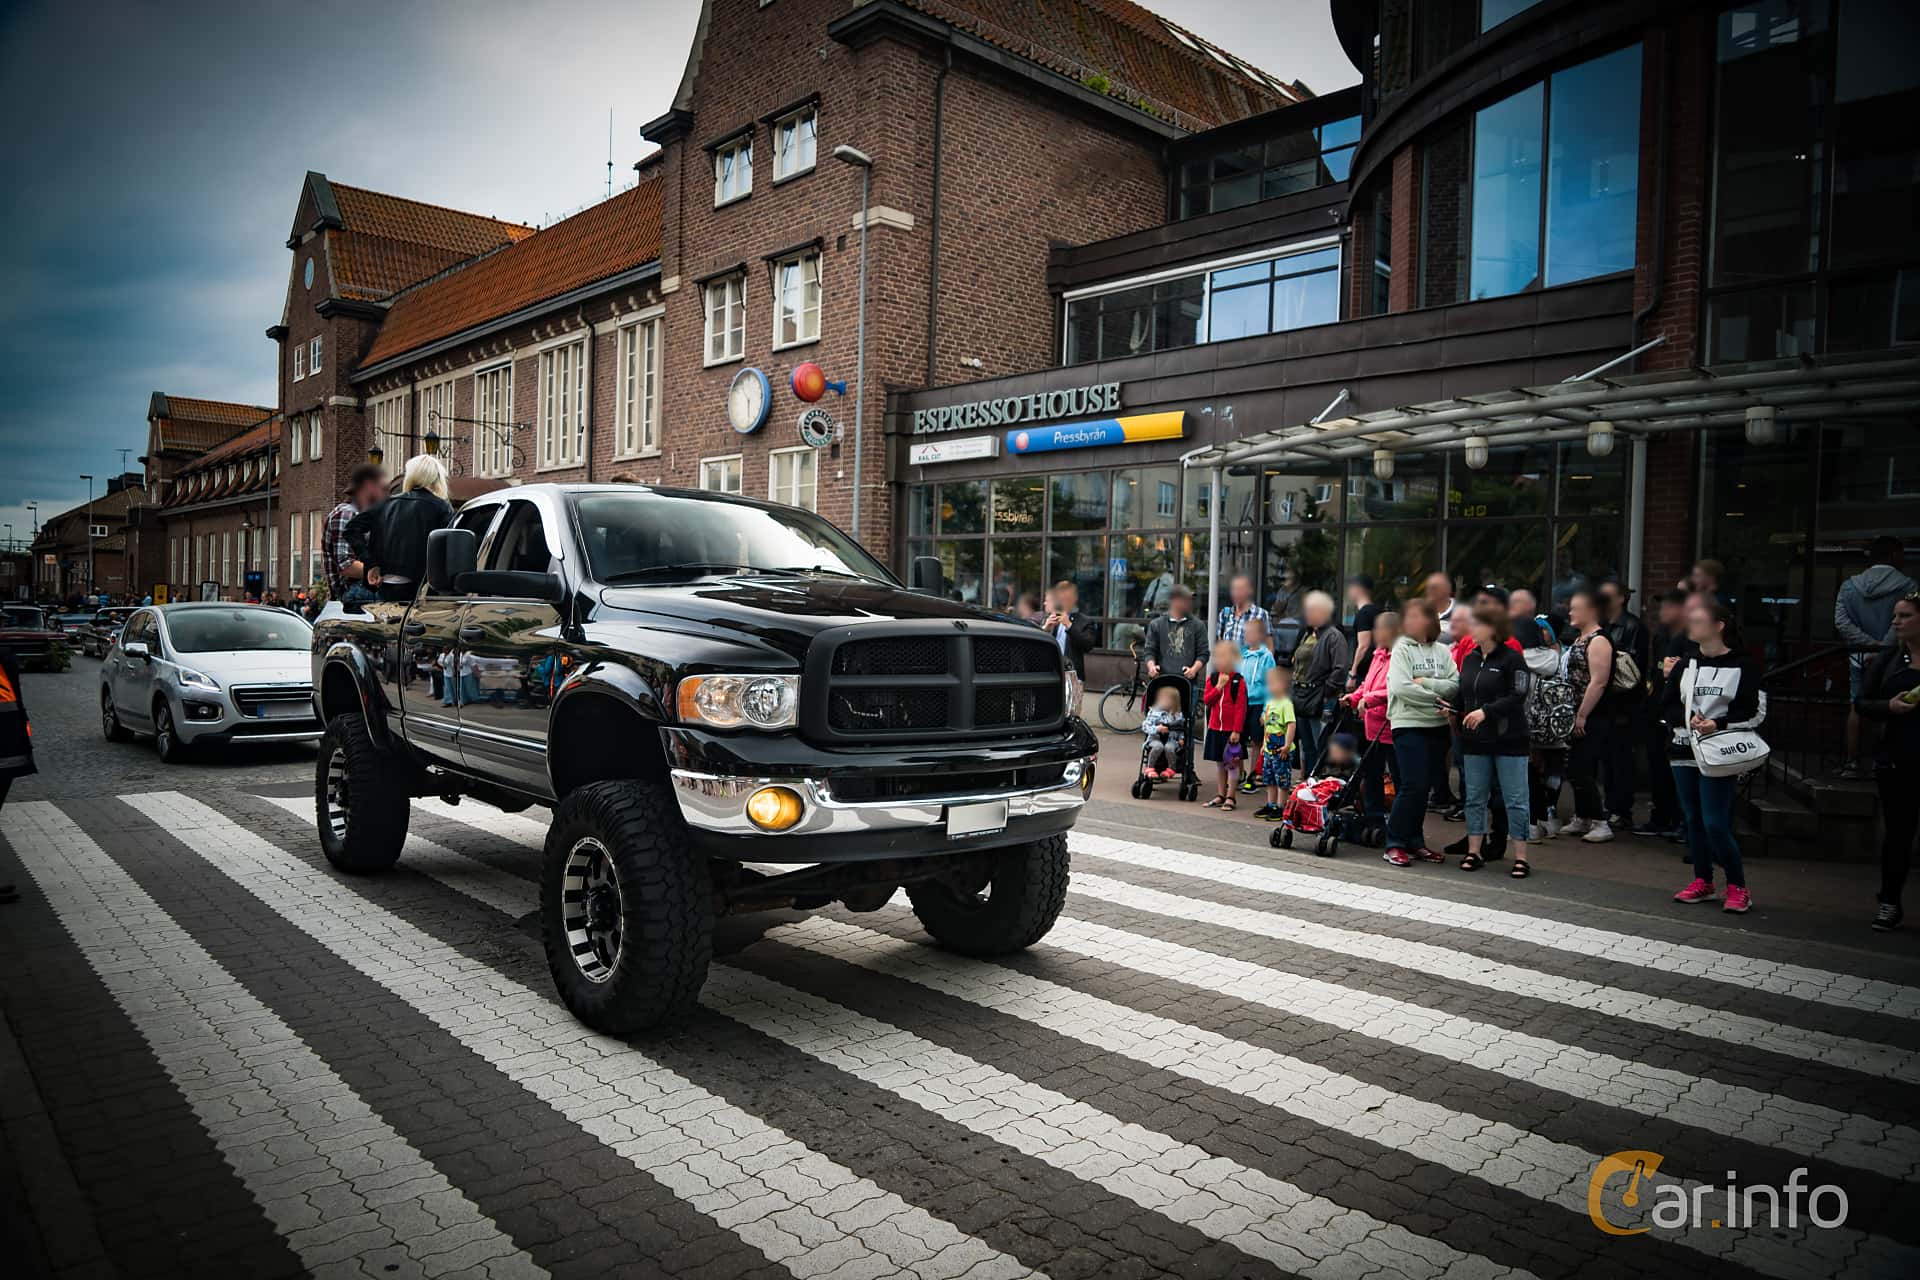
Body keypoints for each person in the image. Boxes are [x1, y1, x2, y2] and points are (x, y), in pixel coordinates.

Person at [1661, 599, 1764, 913]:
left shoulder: (1744, 665)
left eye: (1698, 619)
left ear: (1719, 625)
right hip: (1683, 747)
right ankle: (1703, 880)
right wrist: (1687, 718)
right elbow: (1665, 705)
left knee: (1715, 823)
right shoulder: (1685, 664)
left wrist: (1716, 723)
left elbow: (1752, 711)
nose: (1691, 625)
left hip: (1720, 750)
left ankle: (1738, 887)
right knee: (1693, 820)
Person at [1452, 603, 1534, 877]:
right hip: (1475, 739)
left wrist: (1486, 712)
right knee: (1475, 797)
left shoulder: (1512, 659)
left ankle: (1521, 856)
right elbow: (1464, 693)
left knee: (1515, 798)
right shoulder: (1471, 659)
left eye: (1476, 624)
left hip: (1509, 738)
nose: (1470, 630)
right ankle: (1474, 850)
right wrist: (1451, 708)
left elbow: (1517, 695)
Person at [1854, 592, 1920, 931]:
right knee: (1898, 833)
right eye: (1895, 615)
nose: (1896, 622)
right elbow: (1862, 701)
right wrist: (1889, 708)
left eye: (1905, 616)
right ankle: (1889, 902)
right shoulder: (1891, 658)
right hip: (1898, 756)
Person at [1382, 598, 1457, 867]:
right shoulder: (1402, 648)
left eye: (1416, 616)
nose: (1410, 621)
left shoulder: (1443, 651)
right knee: (1412, 784)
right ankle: (1394, 842)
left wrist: (1424, 682)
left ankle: (1415, 841)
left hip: (1437, 728)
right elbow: (1401, 688)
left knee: (1424, 788)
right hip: (1408, 725)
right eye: (1407, 616)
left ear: (1429, 620)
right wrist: (1437, 697)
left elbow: (1454, 684)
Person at [1837, 537, 1915, 778]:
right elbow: (1902, 623)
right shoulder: (1907, 586)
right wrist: (1883, 647)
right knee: (1889, 705)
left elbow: (1841, 621)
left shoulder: (1850, 585)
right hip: (1893, 655)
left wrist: (1866, 645)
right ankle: (1879, 760)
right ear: (1893, 555)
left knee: (1857, 704)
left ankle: (1851, 763)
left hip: (1858, 655)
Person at [1633, 590, 1691, 840]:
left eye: (1669, 605)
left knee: (1677, 770)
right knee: (1658, 768)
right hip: (1656, 710)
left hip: (1679, 714)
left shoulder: (1690, 639)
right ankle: (1661, 816)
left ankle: (1681, 820)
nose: (1662, 610)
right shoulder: (1661, 636)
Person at [1561, 589, 1617, 843]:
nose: (1571, 612)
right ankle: (1582, 816)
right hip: (1574, 712)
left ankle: (1600, 820)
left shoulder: (1599, 641)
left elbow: (1598, 682)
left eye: (1576, 607)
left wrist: (1582, 715)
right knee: (1573, 767)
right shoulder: (1580, 638)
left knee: (1582, 767)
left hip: (1593, 715)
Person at [359, 454, 454, 603]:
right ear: (436, 478)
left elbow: (351, 530)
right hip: (420, 587)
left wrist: (371, 564)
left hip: (384, 585)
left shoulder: (386, 504)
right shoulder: (441, 507)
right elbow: (447, 549)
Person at [1597, 577, 1649, 829]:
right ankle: (1610, 805)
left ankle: (1621, 809)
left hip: (1623, 704)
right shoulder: (1604, 625)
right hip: (1606, 704)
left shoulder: (1632, 626)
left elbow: (1633, 670)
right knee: (1607, 758)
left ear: (1620, 598)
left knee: (1620, 758)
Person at [1346, 609, 1401, 834]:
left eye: (1380, 629)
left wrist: (1368, 699)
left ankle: (1397, 822)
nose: (1376, 633)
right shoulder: (1378, 654)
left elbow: (1393, 688)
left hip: (1390, 726)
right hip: (1371, 726)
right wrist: (1354, 697)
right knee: (1371, 774)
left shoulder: (1399, 656)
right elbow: (1367, 684)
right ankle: (1373, 818)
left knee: (1398, 776)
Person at [1289, 590, 1350, 771]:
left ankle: (1321, 785)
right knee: (1306, 746)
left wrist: (1326, 692)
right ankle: (1309, 783)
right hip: (1301, 695)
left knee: (1321, 745)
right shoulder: (1306, 634)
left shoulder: (1334, 636)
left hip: (1320, 697)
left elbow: (1340, 668)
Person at [327, 463, 389, 607]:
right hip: (356, 591)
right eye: (382, 488)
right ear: (369, 487)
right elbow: (346, 566)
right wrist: (381, 571)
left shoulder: (355, 514)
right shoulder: (347, 513)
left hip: (357, 590)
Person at [1201, 639, 1248, 810]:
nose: (1220, 661)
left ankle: (1231, 796)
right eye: (1217, 657)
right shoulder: (1213, 679)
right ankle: (1221, 794)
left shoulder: (1239, 681)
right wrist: (1219, 687)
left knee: (1232, 764)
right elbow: (1207, 700)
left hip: (1231, 731)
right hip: (1215, 728)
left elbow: (1241, 708)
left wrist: (1237, 731)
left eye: (1223, 657)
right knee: (1220, 764)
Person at [1143, 584, 1207, 704]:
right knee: (1159, 720)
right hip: (1161, 683)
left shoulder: (1198, 625)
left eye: (1190, 600)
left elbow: (1203, 653)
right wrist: (1151, 667)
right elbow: (1149, 651)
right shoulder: (1157, 624)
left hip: (1188, 684)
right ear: (1174, 601)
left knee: (1187, 720)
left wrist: (1194, 669)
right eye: (1186, 600)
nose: (1189, 603)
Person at [1238, 616, 1276, 794]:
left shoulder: (1266, 657)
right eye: (1246, 632)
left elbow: (1270, 685)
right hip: (1241, 704)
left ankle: (1253, 775)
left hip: (1258, 702)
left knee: (1256, 741)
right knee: (1237, 738)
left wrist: (1265, 710)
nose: (1247, 635)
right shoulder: (1242, 655)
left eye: (1251, 633)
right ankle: (1239, 773)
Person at [1255, 666, 1298, 820]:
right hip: (1269, 748)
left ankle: (1281, 806)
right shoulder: (1270, 703)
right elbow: (1268, 725)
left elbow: (1291, 724)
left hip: (1282, 749)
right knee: (1269, 778)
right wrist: (1263, 745)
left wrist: (1287, 745)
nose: (1270, 687)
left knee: (1282, 778)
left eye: (1273, 683)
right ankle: (1270, 804)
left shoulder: (1286, 704)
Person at [1044, 581, 1096, 677]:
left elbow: (1088, 645)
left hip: (1071, 673)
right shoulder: (1049, 618)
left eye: (1066, 599)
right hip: (1050, 671)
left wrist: (1069, 625)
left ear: (1074, 600)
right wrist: (1045, 629)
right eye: (1060, 599)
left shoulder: (1085, 621)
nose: (1062, 602)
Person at [1141, 684, 1186, 780]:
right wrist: (1157, 728)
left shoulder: (1177, 715)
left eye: (1168, 700)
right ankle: (1150, 767)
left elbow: (1181, 729)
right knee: (1158, 746)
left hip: (1172, 739)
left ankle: (1171, 768)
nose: (1164, 702)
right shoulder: (1154, 713)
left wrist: (1181, 738)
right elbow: (1145, 726)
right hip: (1155, 738)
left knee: (1169, 747)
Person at [1344, 575, 1379, 693]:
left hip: (1364, 673)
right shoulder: (1376, 610)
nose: (1348, 591)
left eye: (1351, 587)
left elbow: (1364, 645)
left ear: (1358, 589)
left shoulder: (1364, 613)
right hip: (1375, 669)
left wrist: (1352, 673)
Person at [1217, 574, 1270, 646]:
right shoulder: (1225, 614)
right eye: (1234, 589)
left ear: (1250, 590)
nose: (1236, 592)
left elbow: (1269, 647)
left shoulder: (1261, 614)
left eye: (1240, 589)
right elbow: (1221, 644)